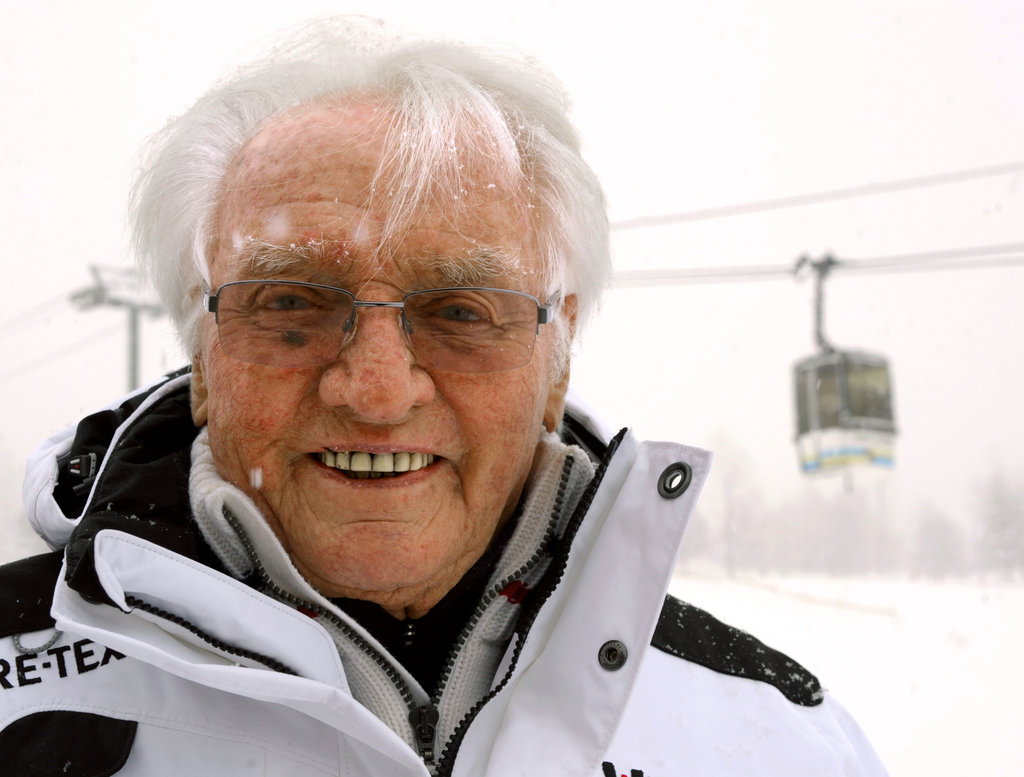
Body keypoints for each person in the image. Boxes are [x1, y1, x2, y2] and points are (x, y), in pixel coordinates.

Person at [0, 18, 887, 777]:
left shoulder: (768, 739)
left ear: (557, 360)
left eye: (461, 311)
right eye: (293, 303)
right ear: (202, 355)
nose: (378, 391)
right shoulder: (23, 700)